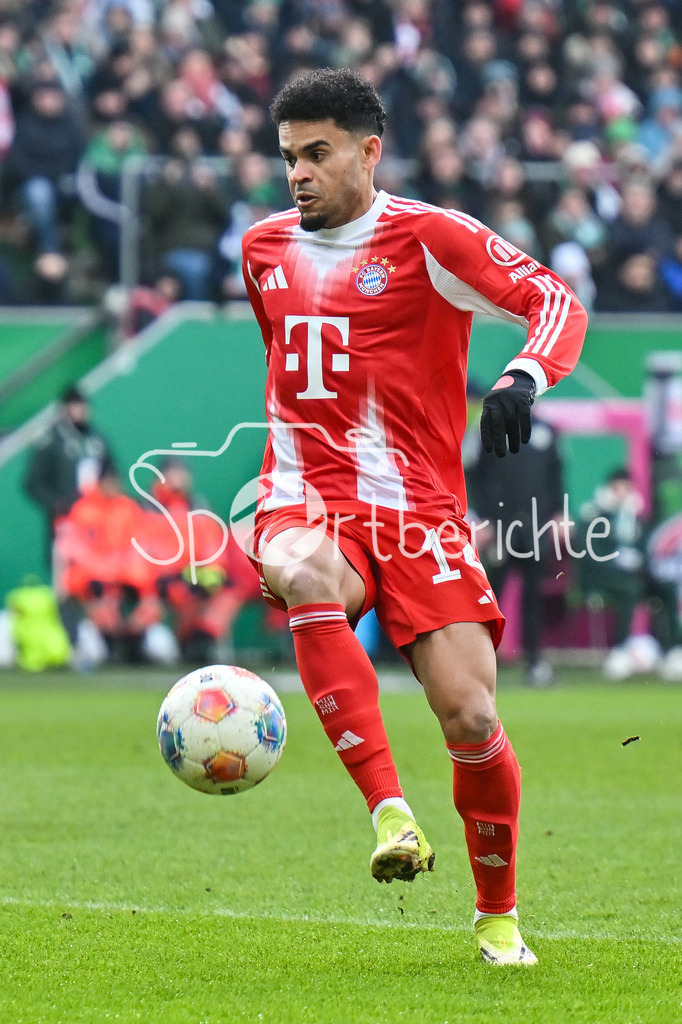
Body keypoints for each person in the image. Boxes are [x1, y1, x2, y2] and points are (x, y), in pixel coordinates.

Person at [241, 68, 587, 965]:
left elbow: (556, 300)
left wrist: (524, 376)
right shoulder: (262, 250)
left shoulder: (429, 237)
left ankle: (497, 916)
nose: (299, 175)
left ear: (368, 152)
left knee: (471, 717)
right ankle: (389, 810)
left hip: (420, 508)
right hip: (305, 495)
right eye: (288, 158)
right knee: (310, 573)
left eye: (317, 154)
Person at [464, 382, 565, 687]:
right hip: (499, 525)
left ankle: (534, 662)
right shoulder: (488, 428)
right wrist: (481, 518)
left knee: (534, 595)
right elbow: (475, 475)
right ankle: (480, 662)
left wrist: (559, 513)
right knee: (489, 594)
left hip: (535, 525)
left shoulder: (547, 431)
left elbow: (556, 475)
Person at [24, 385, 114, 558]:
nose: (79, 410)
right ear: (64, 409)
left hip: (99, 516)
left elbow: (111, 472)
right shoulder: (52, 441)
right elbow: (32, 482)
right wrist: (56, 503)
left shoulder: (96, 439)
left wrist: (108, 492)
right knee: (68, 566)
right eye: (74, 405)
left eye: (82, 405)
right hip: (68, 518)